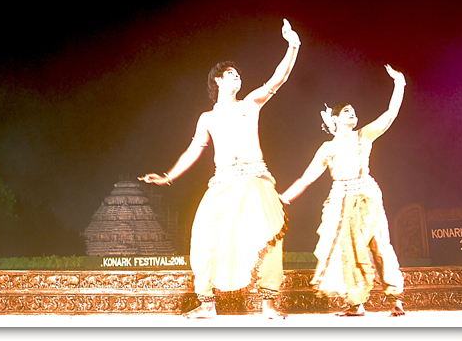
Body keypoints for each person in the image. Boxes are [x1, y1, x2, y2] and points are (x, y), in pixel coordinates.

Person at [138, 19, 301, 319]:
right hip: (222, 182)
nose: (237, 77)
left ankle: (268, 303)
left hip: (255, 179)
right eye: (231, 74)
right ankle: (207, 304)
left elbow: (278, 79)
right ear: (217, 81)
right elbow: (193, 151)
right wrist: (169, 176)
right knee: (203, 235)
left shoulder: (250, 103)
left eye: (239, 74)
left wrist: (293, 46)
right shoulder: (206, 118)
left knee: (269, 234)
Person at [279, 64, 406, 317]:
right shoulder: (327, 148)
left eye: (353, 112)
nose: (352, 114)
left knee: (379, 244)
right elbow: (306, 178)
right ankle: (356, 303)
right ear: (335, 120)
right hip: (340, 199)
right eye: (346, 111)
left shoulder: (364, 136)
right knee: (347, 251)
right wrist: (283, 197)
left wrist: (399, 84)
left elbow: (390, 114)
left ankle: (395, 300)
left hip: (366, 195)